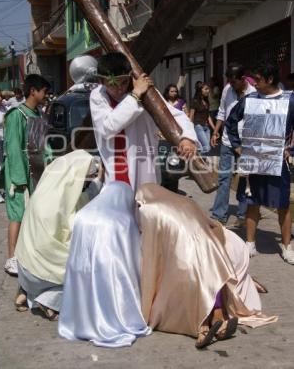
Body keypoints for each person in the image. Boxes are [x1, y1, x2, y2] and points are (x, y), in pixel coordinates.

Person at [58, 52, 198, 347]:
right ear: (101, 82)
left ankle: (149, 297)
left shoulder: (148, 91)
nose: (117, 90)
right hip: (116, 181)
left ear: (128, 77)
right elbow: (109, 127)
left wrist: (187, 137)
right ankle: (122, 299)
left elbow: (176, 116)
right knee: (118, 238)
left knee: (148, 236)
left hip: (144, 174)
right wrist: (134, 97)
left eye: (122, 83)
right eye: (112, 85)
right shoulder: (99, 96)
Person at [136, 183, 277, 348]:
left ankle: (204, 325)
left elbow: (155, 254)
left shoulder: (152, 212)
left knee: (199, 280)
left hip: (209, 253)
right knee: (211, 275)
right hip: (220, 247)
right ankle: (217, 320)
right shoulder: (186, 203)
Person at [14, 150, 103, 318]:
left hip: (24, 268)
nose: (86, 183)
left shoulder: (45, 191)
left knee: (39, 252)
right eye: (85, 179)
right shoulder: (63, 207)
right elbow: (79, 236)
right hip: (42, 275)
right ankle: (49, 300)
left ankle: (25, 292)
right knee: (91, 269)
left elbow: (79, 198)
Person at [225, 63, 294, 264]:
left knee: (282, 204)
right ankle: (250, 243)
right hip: (252, 159)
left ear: (269, 80)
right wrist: (237, 146)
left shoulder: (290, 100)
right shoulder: (249, 100)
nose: (253, 83)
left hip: (277, 160)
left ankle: (287, 246)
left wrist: (290, 150)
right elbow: (231, 123)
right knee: (252, 201)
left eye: (257, 80)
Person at [3, 74, 51, 276]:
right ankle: (12, 258)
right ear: (33, 91)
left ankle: (29, 253)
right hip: (21, 171)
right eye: (44, 91)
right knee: (17, 214)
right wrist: (18, 178)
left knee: (33, 213)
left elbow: (43, 145)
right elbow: (13, 146)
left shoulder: (38, 114)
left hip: (37, 169)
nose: (47, 95)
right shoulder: (17, 114)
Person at [210, 63, 256, 225]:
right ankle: (218, 214)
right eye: (229, 80)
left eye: (234, 81)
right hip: (228, 141)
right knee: (224, 178)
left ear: (243, 79)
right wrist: (216, 131)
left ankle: (243, 214)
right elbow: (222, 112)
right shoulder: (227, 89)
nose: (231, 84)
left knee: (245, 178)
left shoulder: (254, 93)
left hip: (246, 144)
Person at [189, 82, 215, 154]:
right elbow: (191, 117)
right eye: (206, 89)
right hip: (198, 126)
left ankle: (196, 160)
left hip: (206, 128)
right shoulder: (195, 101)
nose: (208, 91)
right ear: (200, 90)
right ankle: (193, 156)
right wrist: (190, 130)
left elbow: (208, 116)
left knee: (204, 148)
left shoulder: (206, 101)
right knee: (207, 147)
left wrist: (214, 128)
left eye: (208, 89)